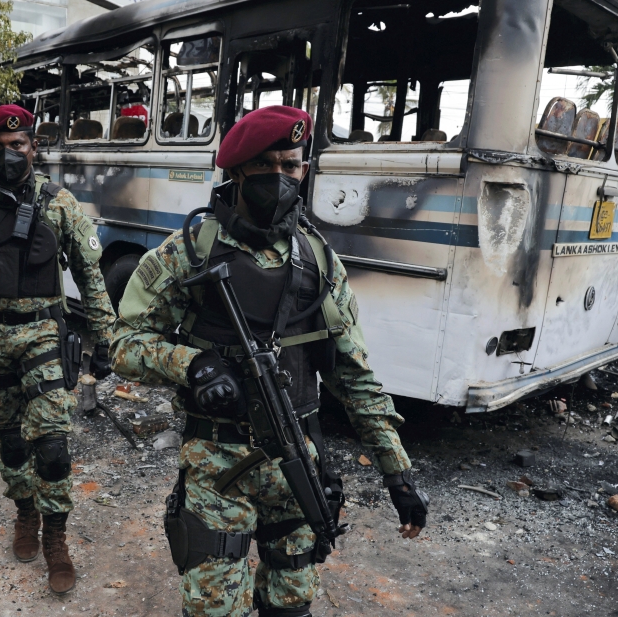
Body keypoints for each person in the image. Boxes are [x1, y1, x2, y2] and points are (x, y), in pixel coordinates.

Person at [111, 106, 428, 617]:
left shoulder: (321, 262)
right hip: (218, 468)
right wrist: (192, 365)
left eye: (293, 165)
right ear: (236, 172)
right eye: (267, 167)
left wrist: (398, 475)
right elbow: (123, 342)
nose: (281, 179)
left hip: (298, 463)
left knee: (292, 606)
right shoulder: (189, 253)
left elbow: (355, 377)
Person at [0, 105, 116, 594]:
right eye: (0, 147)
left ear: (34, 147)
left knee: (52, 444)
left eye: (20, 145)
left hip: (44, 333)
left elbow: (91, 274)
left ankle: (56, 538)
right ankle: (24, 513)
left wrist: (104, 339)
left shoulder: (58, 204)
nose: (11, 154)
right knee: (11, 439)